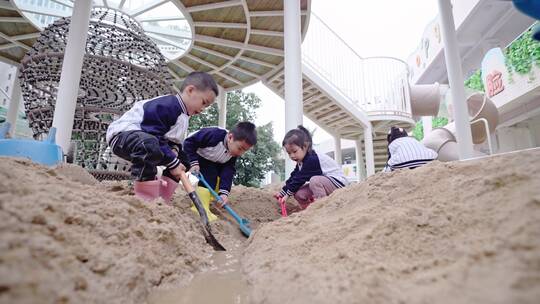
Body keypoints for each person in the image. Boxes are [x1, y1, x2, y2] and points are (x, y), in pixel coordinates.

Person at [105, 72, 218, 202]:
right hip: (123, 136)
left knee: (184, 159)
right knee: (150, 145)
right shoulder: (168, 105)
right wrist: (172, 162)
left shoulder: (184, 117)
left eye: (207, 106)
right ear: (190, 90)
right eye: (204, 102)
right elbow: (153, 134)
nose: (203, 109)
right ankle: (145, 195)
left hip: (148, 140)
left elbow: (173, 140)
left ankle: (163, 197)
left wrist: (175, 152)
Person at [183, 122, 257, 221]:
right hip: (194, 154)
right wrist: (193, 162)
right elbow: (189, 143)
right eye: (240, 148)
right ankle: (200, 208)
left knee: (215, 176)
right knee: (207, 179)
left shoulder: (233, 153)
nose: (241, 153)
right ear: (230, 138)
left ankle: (210, 198)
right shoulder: (214, 135)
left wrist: (224, 193)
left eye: (244, 151)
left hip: (213, 161)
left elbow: (228, 171)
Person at [274, 125, 348, 210]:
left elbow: (299, 180)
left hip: (338, 183)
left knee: (314, 180)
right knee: (299, 194)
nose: (292, 156)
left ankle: (322, 208)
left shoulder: (312, 159)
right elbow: (294, 177)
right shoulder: (301, 161)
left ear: (305, 146)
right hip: (325, 183)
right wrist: (282, 193)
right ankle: (309, 212)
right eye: (289, 153)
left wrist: (287, 195)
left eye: (294, 151)